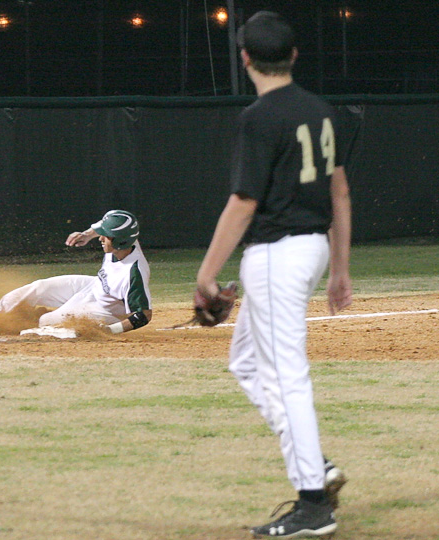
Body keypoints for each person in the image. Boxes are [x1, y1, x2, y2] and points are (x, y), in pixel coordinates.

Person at [195, 12, 352, 539]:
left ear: (245, 59)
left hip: (278, 254)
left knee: (287, 375)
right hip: (310, 250)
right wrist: (341, 267)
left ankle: (313, 504)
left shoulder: (260, 117)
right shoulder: (322, 111)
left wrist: (206, 275)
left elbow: (243, 203)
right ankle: (317, 465)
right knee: (245, 362)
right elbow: (340, 192)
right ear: (293, 56)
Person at [0, 210, 152, 334]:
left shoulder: (133, 274)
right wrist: (87, 234)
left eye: (106, 237)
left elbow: (143, 315)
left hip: (105, 310)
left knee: (46, 321)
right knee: (40, 287)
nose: (101, 239)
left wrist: (110, 330)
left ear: (120, 241)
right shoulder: (125, 235)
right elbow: (107, 222)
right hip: (94, 286)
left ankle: (25, 323)